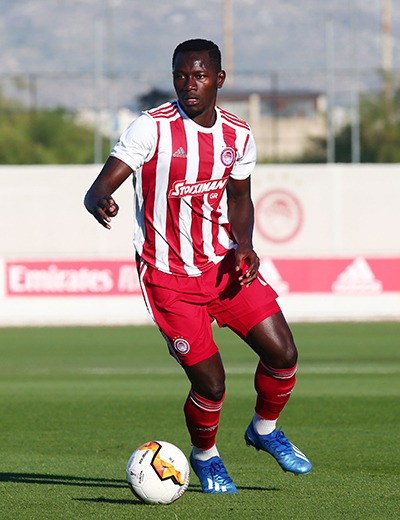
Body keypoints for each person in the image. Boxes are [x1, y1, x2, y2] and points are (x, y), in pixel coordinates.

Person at [84, 38, 312, 494]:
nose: (189, 85)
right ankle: (206, 456)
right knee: (211, 384)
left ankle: (264, 429)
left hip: (223, 266)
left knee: (283, 354)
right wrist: (99, 200)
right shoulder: (151, 128)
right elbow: (98, 188)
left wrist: (244, 244)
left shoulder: (237, 135)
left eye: (200, 76)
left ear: (219, 79)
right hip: (167, 277)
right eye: (181, 76)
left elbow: (241, 198)